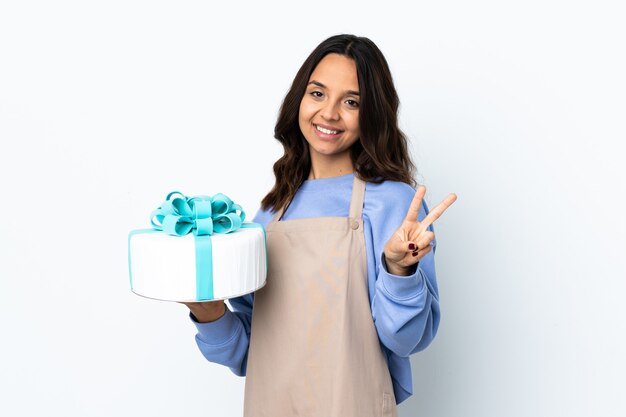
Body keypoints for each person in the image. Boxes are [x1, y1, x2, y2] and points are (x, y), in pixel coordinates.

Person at [182, 34, 457, 417]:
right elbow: (247, 353)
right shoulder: (267, 214)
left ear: (372, 114)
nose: (329, 113)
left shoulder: (393, 204)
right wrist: (207, 310)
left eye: (351, 102)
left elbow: (406, 339)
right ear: (300, 99)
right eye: (317, 94)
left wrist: (399, 268)